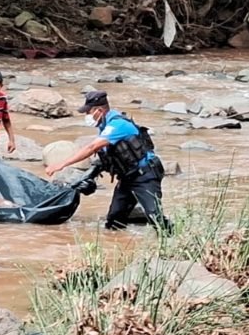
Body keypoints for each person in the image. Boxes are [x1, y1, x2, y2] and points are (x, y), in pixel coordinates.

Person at [45, 91, 172, 233]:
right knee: (114, 221)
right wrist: (88, 177)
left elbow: (92, 147)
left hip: (145, 175)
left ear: (99, 111)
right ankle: (117, 249)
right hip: (127, 177)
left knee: (155, 217)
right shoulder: (104, 126)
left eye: (88, 112)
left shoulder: (117, 125)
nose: (86, 116)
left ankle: (173, 240)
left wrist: (61, 164)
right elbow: (105, 158)